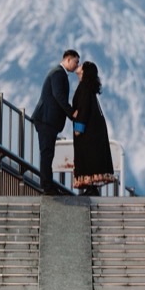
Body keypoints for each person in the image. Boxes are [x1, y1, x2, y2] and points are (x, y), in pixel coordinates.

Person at [32, 48, 80, 194]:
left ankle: (48, 185)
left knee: (48, 153)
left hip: (47, 120)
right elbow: (59, 96)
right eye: (76, 62)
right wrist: (72, 113)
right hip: (46, 120)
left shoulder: (58, 73)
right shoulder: (58, 73)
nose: (77, 66)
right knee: (47, 153)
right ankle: (47, 187)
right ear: (68, 59)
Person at [71, 60, 117, 195]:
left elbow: (83, 109)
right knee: (92, 157)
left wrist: (79, 128)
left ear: (84, 72)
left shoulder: (84, 87)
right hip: (94, 129)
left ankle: (91, 188)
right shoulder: (88, 87)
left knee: (88, 157)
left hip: (88, 131)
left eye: (81, 66)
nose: (78, 67)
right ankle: (91, 187)